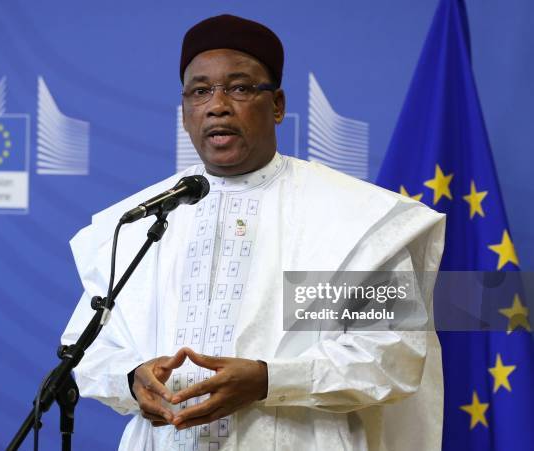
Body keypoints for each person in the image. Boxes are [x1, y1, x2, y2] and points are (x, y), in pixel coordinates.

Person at [62, 14, 445, 451]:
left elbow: (390, 358)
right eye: (200, 91)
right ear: (185, 111)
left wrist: (269, 380)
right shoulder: (137, 224)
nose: (217, 104)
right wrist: (131, 381)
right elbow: (87, 349)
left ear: (277, 105)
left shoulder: (353, 220)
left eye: (240, 88)